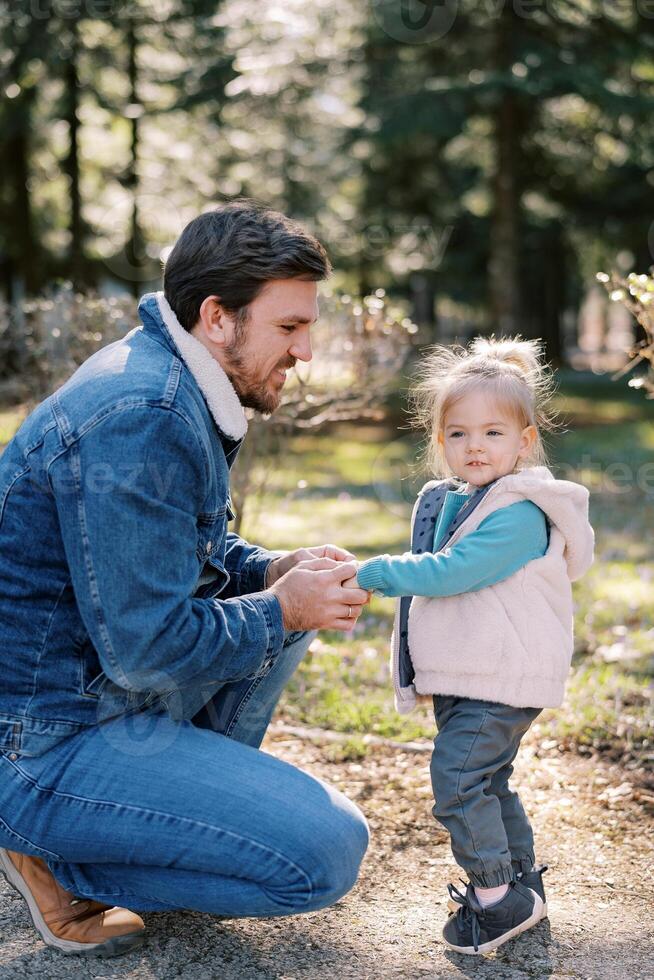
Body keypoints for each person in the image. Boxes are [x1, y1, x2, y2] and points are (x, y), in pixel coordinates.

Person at [0, 201, 370, 958]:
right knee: (322, 855)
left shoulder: (172, 378)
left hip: (93, 695)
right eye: (290, 328)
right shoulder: (145, 412)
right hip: (38, 741)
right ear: (218, 318)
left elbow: (187, 553)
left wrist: (272, 571)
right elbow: (148, 647)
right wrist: (281, 610)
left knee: (287, 614)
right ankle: (60, 859)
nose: (306, 352)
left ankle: (150, 819)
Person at [345, 336, 594, 955]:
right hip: (472, 673)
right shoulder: (461, 498)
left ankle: (493, 896)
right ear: (439, 442)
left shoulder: (516, 510)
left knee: (457, 781)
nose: (474, 446)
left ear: (525, 441)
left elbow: (453, 571)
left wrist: (375, 572)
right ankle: (519, 882)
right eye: (458, 434)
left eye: (492, 433)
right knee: (490, 779)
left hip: (501, 674)